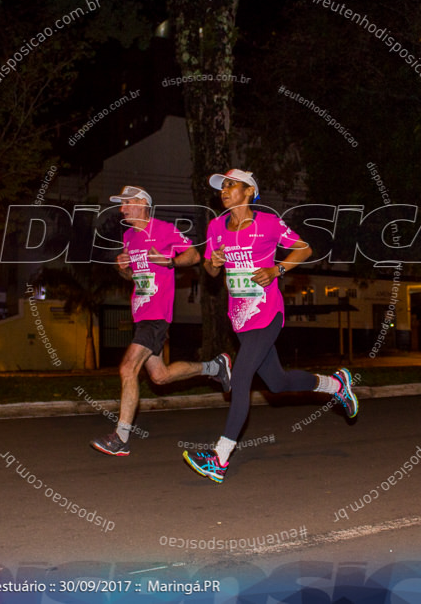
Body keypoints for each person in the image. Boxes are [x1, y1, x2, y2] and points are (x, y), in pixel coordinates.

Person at [183, 169, 358, 482]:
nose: (224, 191)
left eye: (231, 185)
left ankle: (219, 458)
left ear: (249, 191)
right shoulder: (215, 227)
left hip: (267, 314)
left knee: (241, 377)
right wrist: (215, 262)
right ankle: (336, 385)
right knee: (278, 384)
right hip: (240, 320)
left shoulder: (268, 223)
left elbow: (304, 249)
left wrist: (277, 270)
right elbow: (210, 270)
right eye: (222, 187)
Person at [90, 185, 232, 456]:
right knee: (160, 376)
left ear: (142, 204)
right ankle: (215, 367)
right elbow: (132, 277)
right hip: (140, 313)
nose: (122, 209)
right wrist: (123, 269)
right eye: (121, 205)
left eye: (126, 203)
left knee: (127, 368)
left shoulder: (163, 229)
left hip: (156, 314)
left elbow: (193, 255)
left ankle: (120, 437)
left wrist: (169, 262)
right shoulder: (130, 236)